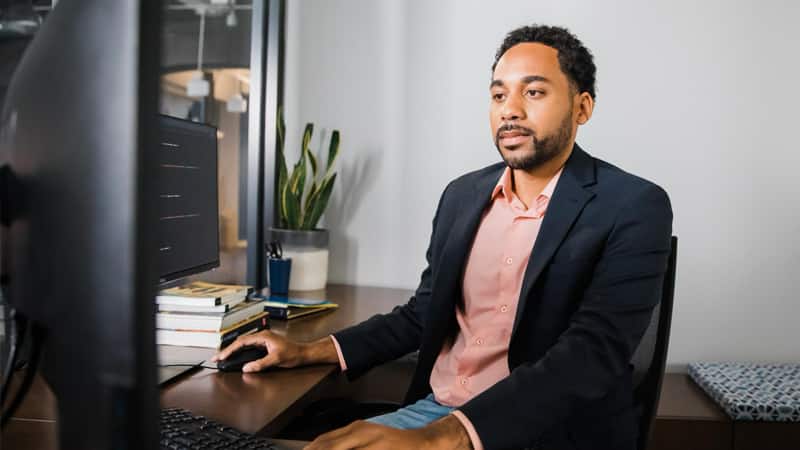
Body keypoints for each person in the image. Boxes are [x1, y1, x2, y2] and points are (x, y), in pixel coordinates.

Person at [214, 24, 673, 450]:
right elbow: (422, 313)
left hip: (551, 431)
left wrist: (445, 438)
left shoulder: (632, 205)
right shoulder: (463, 196)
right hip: (436, 412)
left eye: (533, 92)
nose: (510, 109)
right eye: (498, 95)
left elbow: (592, 354)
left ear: (582, 107)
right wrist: (308, 351)